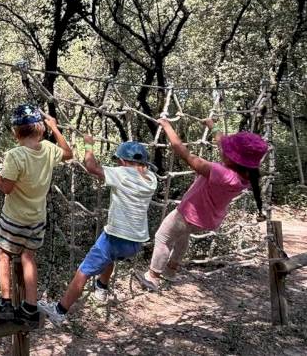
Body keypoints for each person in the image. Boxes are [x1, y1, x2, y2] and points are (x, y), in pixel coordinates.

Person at [137, 118, 268, 290]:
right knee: (182, 237)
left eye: (227, 152)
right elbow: (223, 144)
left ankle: (153, 276)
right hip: (206, 220)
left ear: (233, 159)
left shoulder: (220, 173)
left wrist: (167, 126)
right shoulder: (246, 177)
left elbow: (184, 153)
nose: (223, 151)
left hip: (187, 214)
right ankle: (171, 270)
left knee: (163, 237)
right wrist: (214, 126)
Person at [40, 136, 157, 324]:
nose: (118, 164)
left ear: (125, 162)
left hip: (115, 237)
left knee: (84, 271)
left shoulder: (123, 173)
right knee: (109, 258)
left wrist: (87, 144)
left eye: (119, 161)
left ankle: (59, 311)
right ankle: (102, 287)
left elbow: (91, 166)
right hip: (137, 242)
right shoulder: (151, 179)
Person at [0, 104, 73, 328]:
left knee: (3, 254)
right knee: (28, 257)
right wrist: (56, 128)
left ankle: (6, 304)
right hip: (37, 219)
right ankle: (30, 308)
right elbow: (69, 154)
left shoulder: (15, 155)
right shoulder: (49, 149)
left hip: (14, 219)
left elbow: (6, 188)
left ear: (16, 132)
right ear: (40, 129)